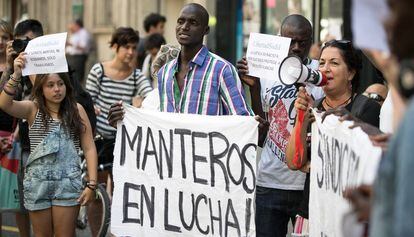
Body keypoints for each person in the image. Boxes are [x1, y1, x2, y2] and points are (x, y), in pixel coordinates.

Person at [237, 14, 324, 237]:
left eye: (302, 42)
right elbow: (263, 131)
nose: (296, 47)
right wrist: (254, 88)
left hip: (307, 183)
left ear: (311, 40)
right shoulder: (266, 73)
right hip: (270, 181)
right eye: (290, 41)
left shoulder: (319, 74)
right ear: (279, 39)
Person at [285, 39, 381, 235]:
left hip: (347, 216)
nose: (325, 69)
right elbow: (294, 162)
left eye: (334, 63)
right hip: (312, 212)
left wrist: (314, 166)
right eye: (321, 63)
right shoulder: (314, 107)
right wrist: (302, 119)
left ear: (351, 73)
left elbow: (363, 167)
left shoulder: (366, 109)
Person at [0, 52, 98, 236]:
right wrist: (16, 74)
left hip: (68, 183)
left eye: (60, 84)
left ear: (67, 86)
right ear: (41, 88)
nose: (56, 89)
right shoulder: (32, 108)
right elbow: (5, 104)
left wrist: (91, 184)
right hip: (38, 184)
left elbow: (89, 147)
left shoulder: (77, 110)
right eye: (50, 85)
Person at [0, 19, 44, 237]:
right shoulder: (13, 66)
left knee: (30, 202)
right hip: (12, 139)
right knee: (12, 202)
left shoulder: (37, 64)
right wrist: (10, 68)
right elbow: (4, 99)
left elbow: (32, 100)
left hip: (21, 139)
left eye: (4, 37)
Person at [66, 19, 92, 86]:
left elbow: (83, 47)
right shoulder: (75, 34)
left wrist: (71, 44)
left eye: (73, 25)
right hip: (70, 57)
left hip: (78, 58)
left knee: (77, 78)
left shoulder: (83, 33)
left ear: (77, 25)